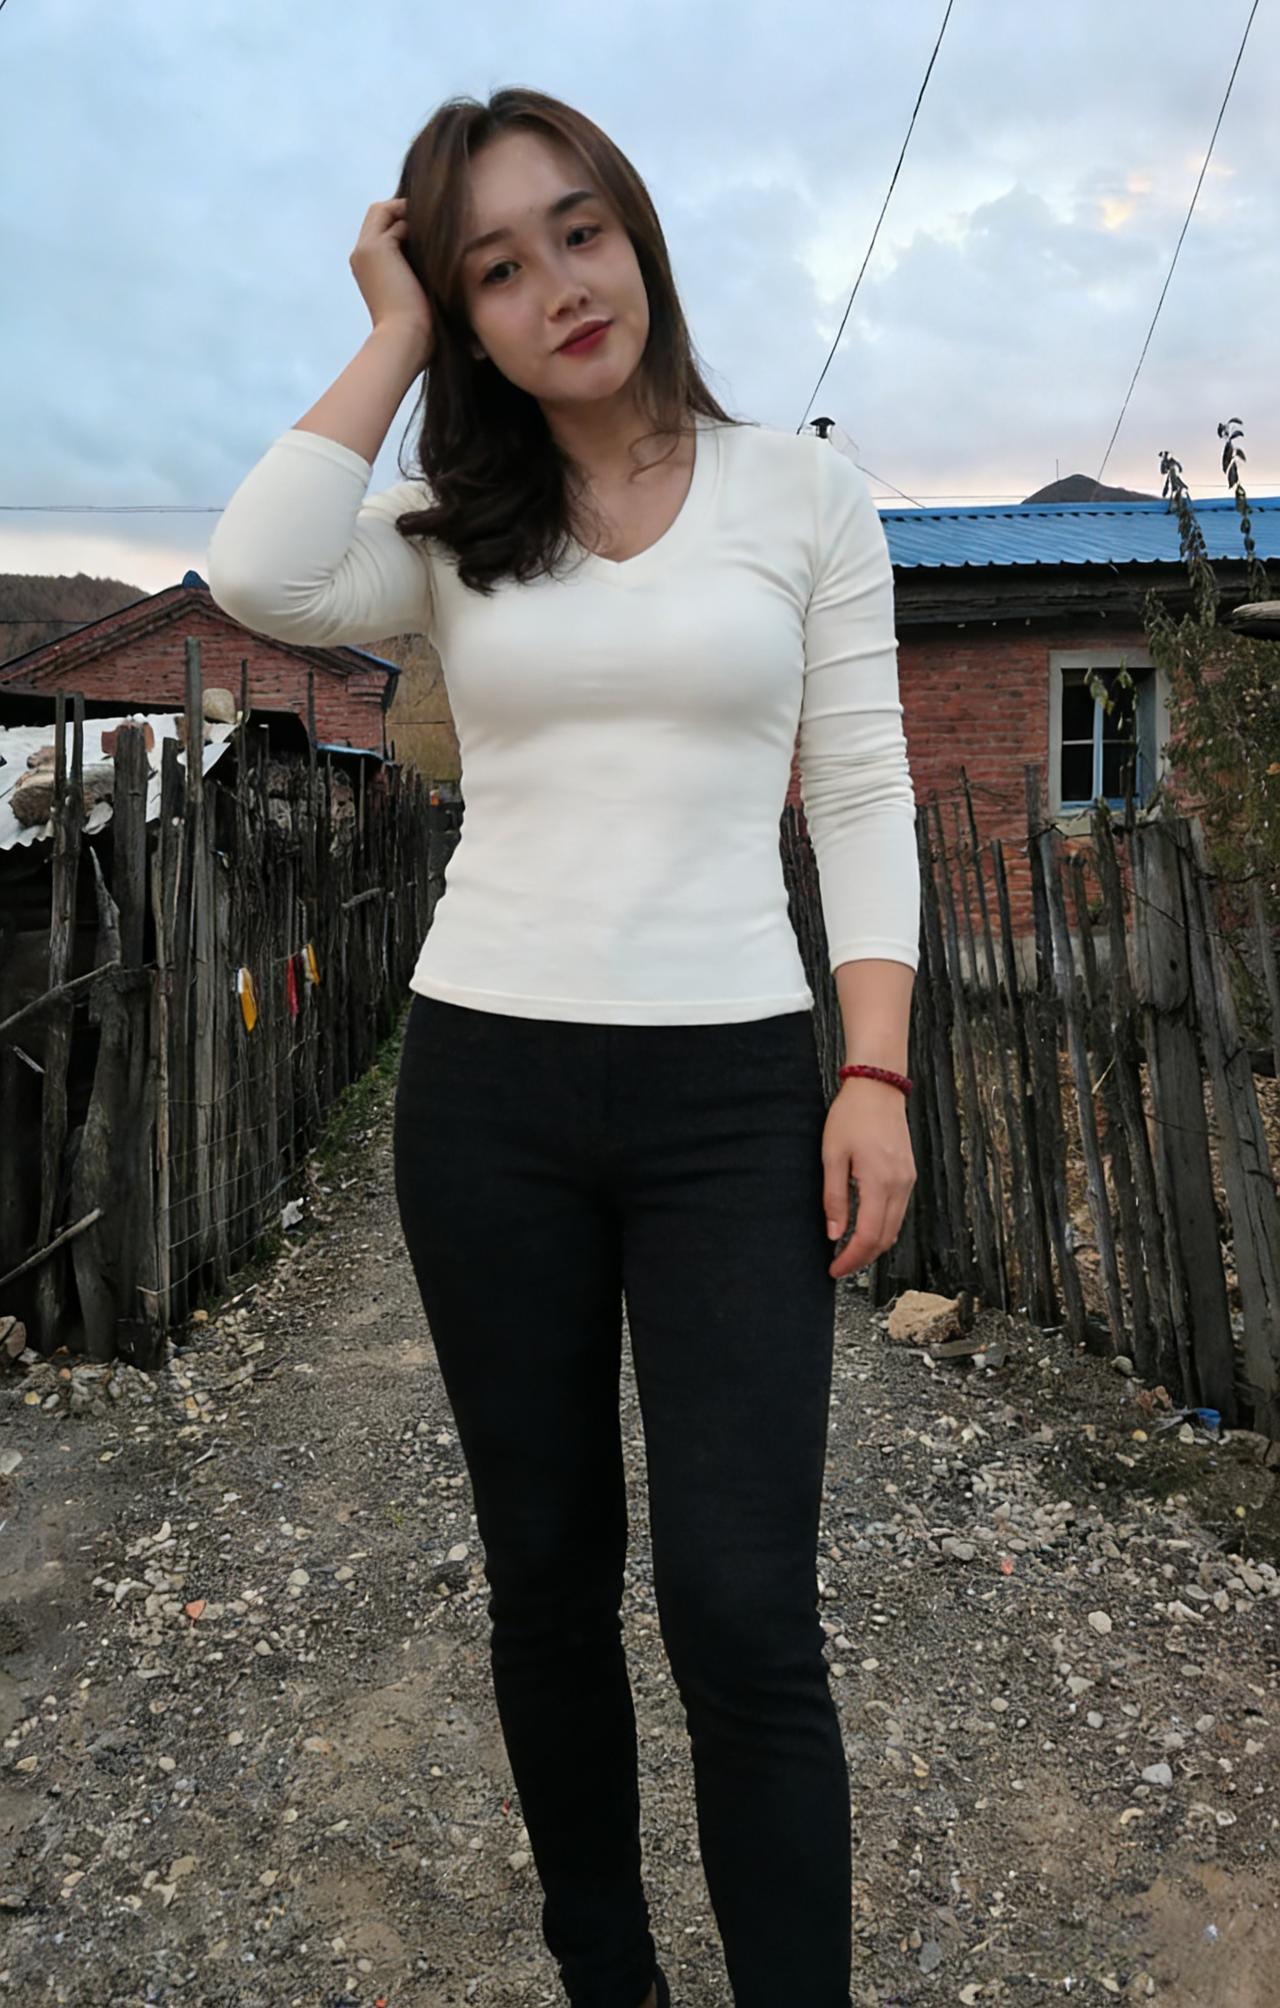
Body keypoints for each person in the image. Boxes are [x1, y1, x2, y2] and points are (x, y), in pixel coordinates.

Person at [206, 85, 920, 2008]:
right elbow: (257, 575)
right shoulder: (453, 529)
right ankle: (610, 1976)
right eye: (496, 271)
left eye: (579, 233)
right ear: (469, 318)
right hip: (491, 1093)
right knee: (545, 1579)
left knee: (744, 1612)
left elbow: (864, 792)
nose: (559, 289)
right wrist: (390, 331)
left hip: (731, 1098)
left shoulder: (804, 496)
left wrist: (873, 1074)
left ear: (640, 234)